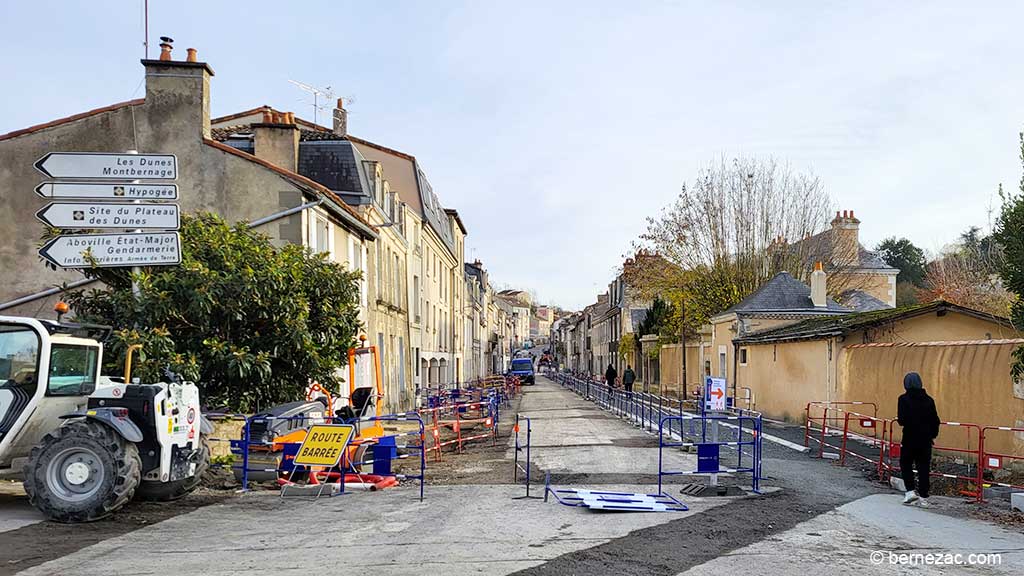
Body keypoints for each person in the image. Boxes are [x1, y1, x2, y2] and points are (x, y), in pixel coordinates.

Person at [897, 372, 940, 507]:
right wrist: (932, 435)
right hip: (925, 439)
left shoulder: (903, 399)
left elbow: (901, 420)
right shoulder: (929, 400)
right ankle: (924, 497)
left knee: (906, 464)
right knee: (923, 467)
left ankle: (910, 491)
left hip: (909, 437)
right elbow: (935, 420)